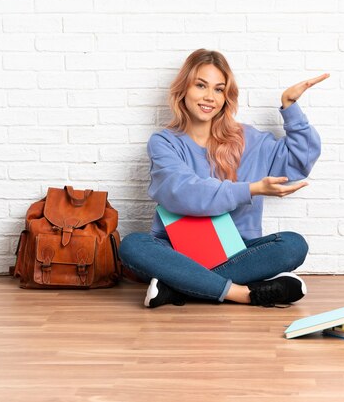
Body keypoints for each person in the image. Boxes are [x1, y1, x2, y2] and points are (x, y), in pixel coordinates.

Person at [118, 49, 329, 308]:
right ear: (184, 88)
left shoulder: (248, 139)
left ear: (226, 97)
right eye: (200, 85)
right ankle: (244, 293)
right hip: (176, 251)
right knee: (132, 245)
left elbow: (299, 161)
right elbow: (184, 192)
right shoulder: (164, 143)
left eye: (219, 89)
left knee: (293, 245)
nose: (209, 97)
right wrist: (250, 189)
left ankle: (177, 287)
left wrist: (290, 107)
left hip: (237, 252)